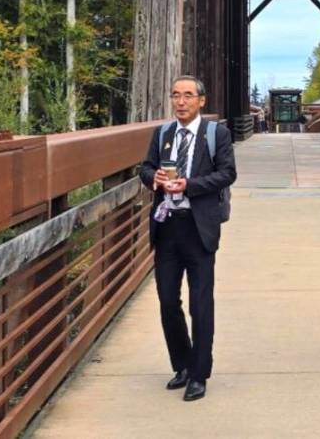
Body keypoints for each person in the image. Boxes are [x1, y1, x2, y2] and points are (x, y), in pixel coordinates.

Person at [140, 75, 237, 402]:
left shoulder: (216, 134)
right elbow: (145, 167)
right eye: (176, 96)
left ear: (201, 101)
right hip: (167, 227)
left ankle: (199, 373)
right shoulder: (163, 133)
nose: (181, 102)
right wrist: (151, 177)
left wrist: (190, 185)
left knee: (200, 303)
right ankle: (181, 364)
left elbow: (227, 173)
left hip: (199, 229)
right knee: (168, 300)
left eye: (188, 96)